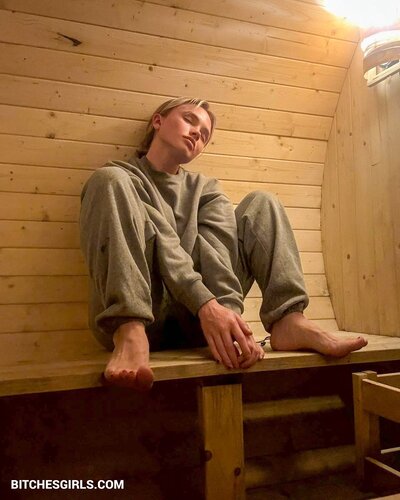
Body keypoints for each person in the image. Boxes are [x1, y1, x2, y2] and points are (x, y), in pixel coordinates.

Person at [79, 97, 367, 391]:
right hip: (147, 313)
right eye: (189, 119)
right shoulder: (124, 179)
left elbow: (217, 255)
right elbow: (164, 244)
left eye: (205, 134)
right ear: (158, 121)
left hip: (203, 323)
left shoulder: (206, 188)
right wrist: (205, 304)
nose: (197, 133)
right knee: (107, 179)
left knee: (262, 203)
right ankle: (129, 331)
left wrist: (229, 318)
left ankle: (289, 319)